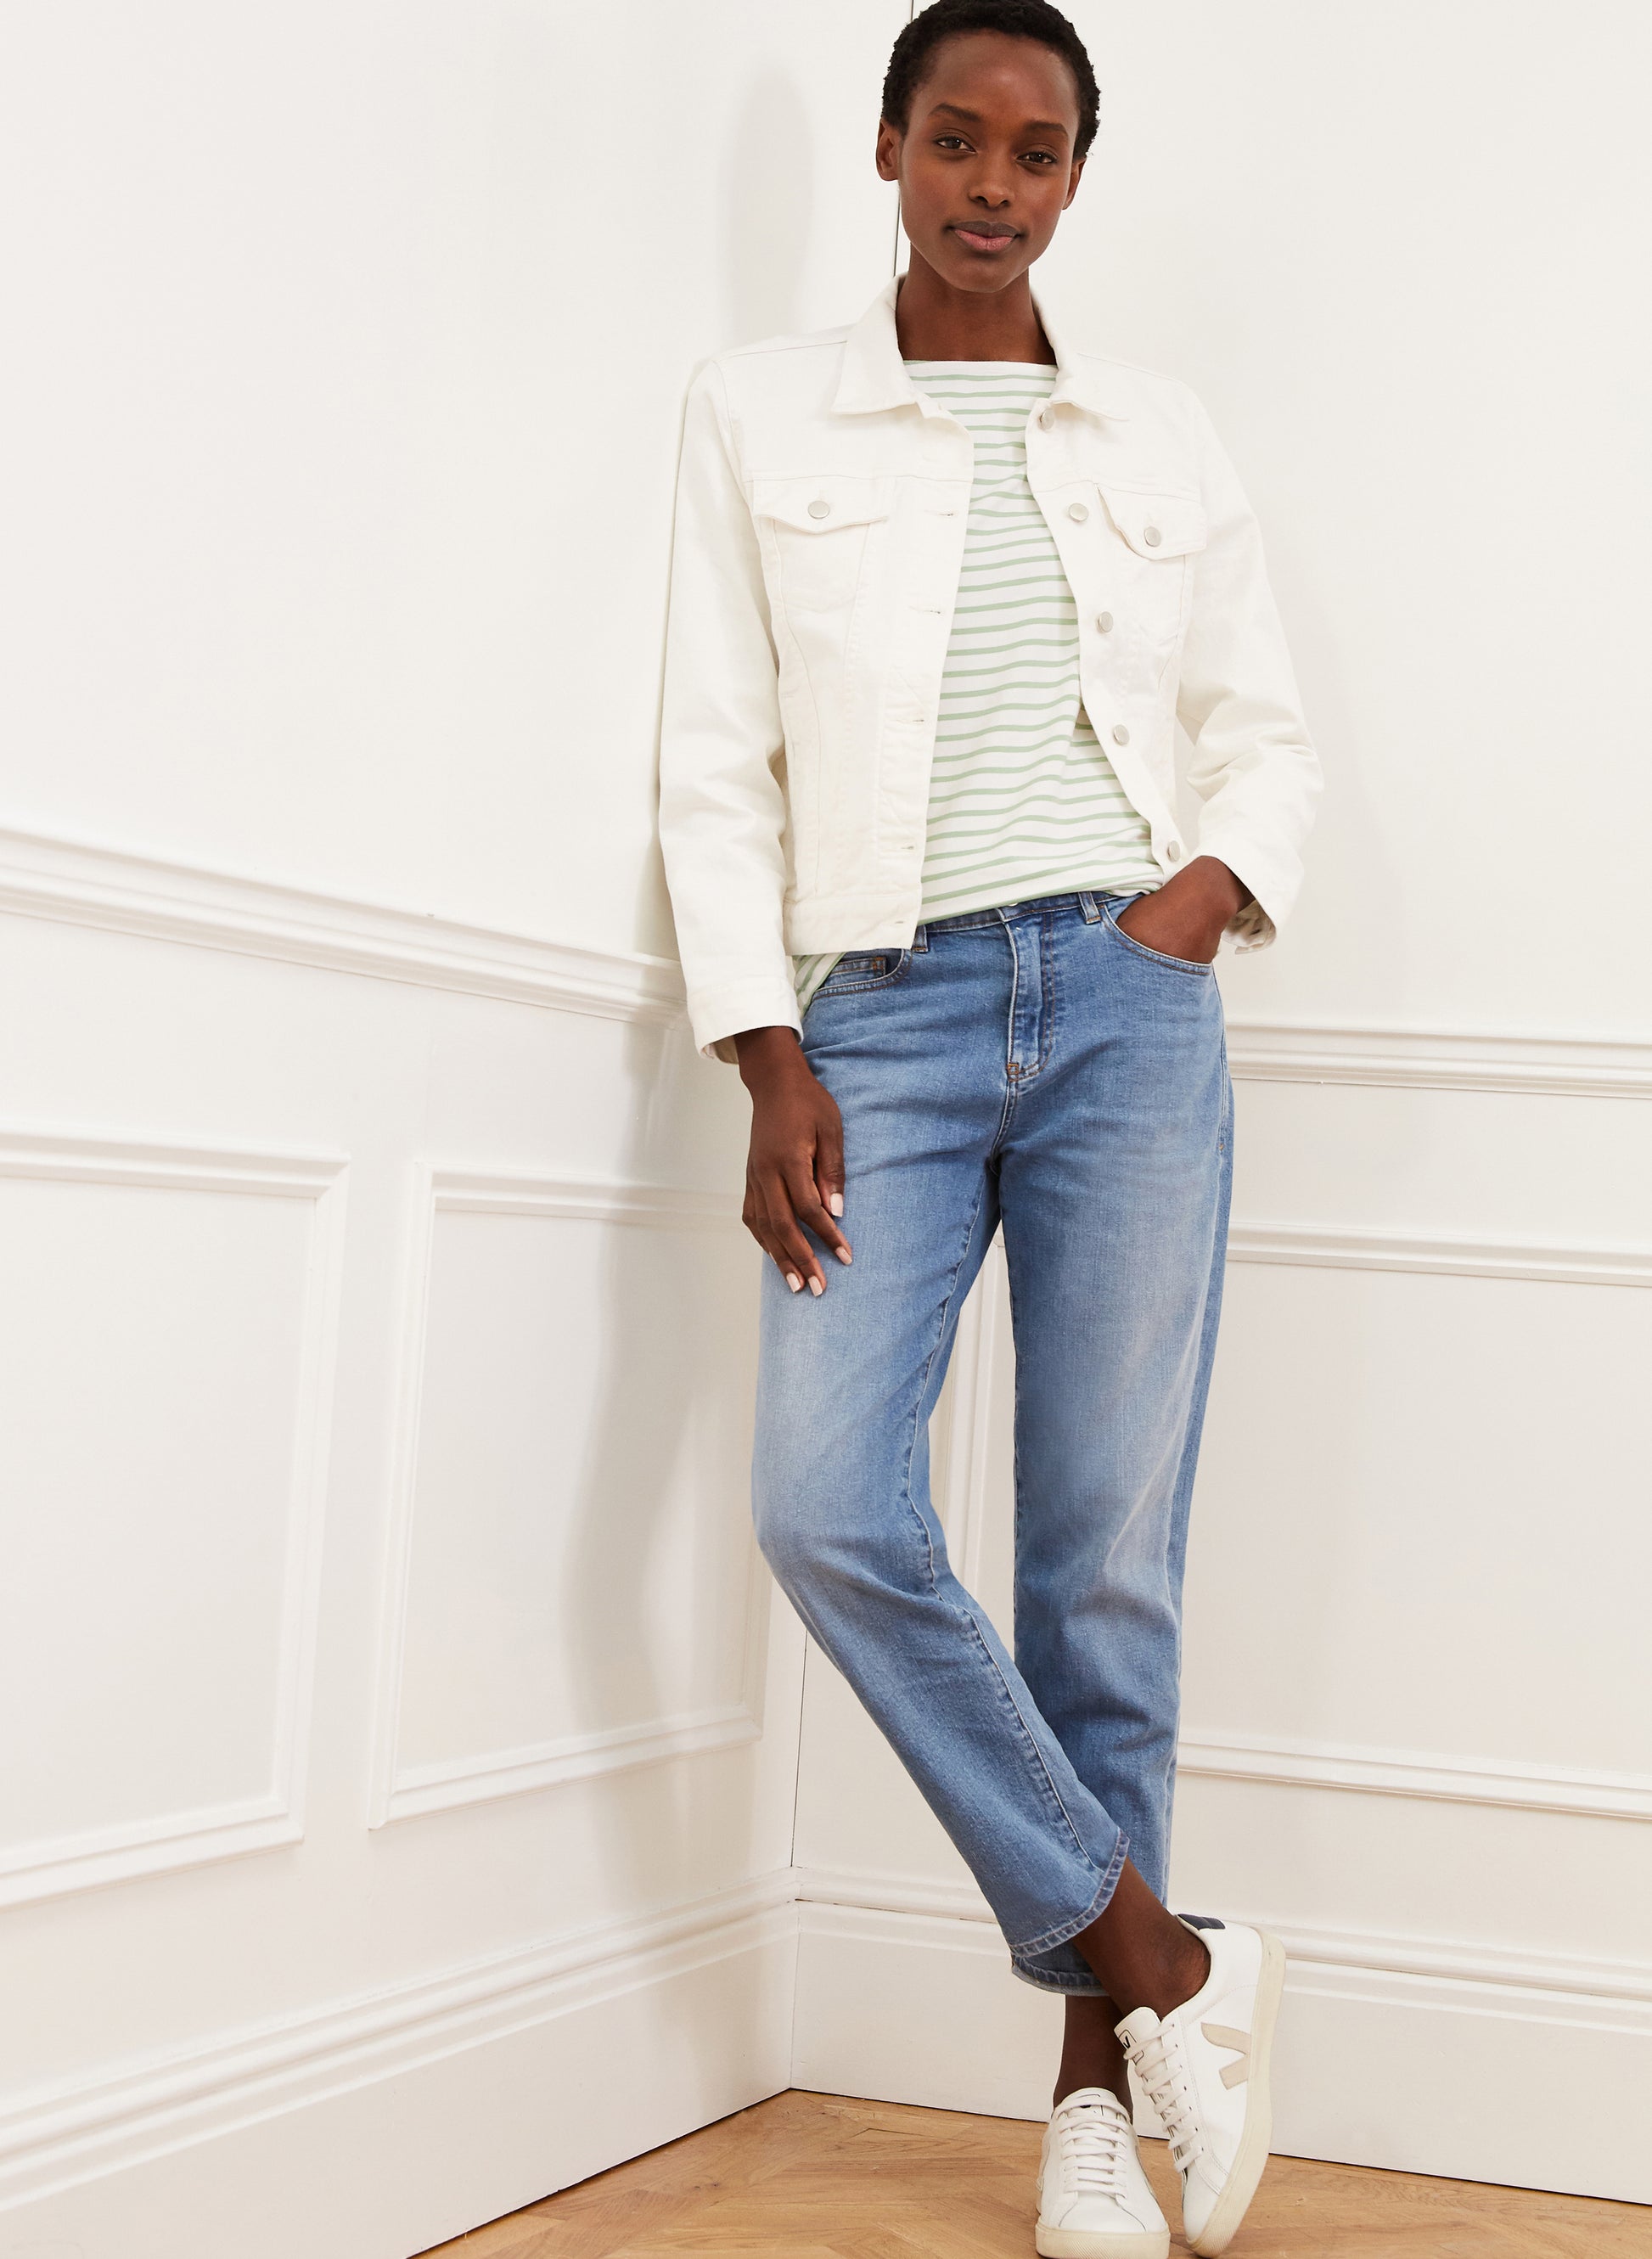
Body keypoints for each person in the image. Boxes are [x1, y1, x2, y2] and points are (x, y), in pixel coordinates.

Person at [658, 3, 1319, 2252]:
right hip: (884, 1016)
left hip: (1129, 1009)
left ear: (1071, 182)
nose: (992, 186)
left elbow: (1263, 731)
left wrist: (1189, 910)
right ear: (890, 148)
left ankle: (1094, 2104)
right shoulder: (758, 410)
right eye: (957, 139)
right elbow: (713, 757)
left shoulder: (1155, 427)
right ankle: (1161, 1963)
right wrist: (766, 1047)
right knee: (825, 1504)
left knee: (1098, 1568)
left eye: (1035, 154)